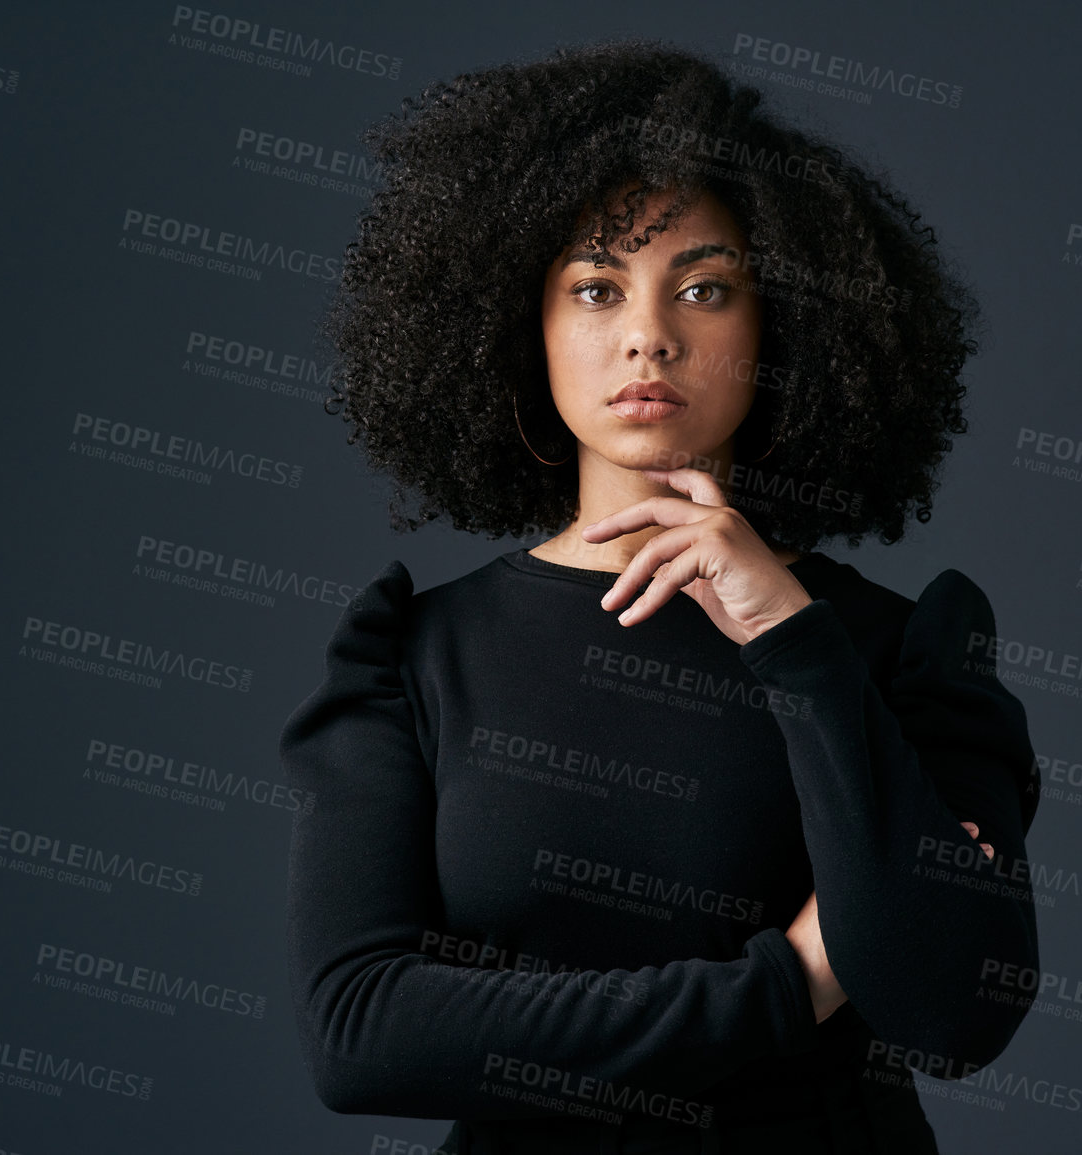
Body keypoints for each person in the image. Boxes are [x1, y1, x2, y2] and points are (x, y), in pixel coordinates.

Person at [278, 38, 1042, 1154]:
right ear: (519, 329)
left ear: (777, 328)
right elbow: (360, 1040)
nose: (649, 333)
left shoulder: (897, 650)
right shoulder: (413, 656)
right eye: (595, 288)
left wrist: (793, 640)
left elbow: (953, 1009)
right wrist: (794, 979)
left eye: (704, 286)